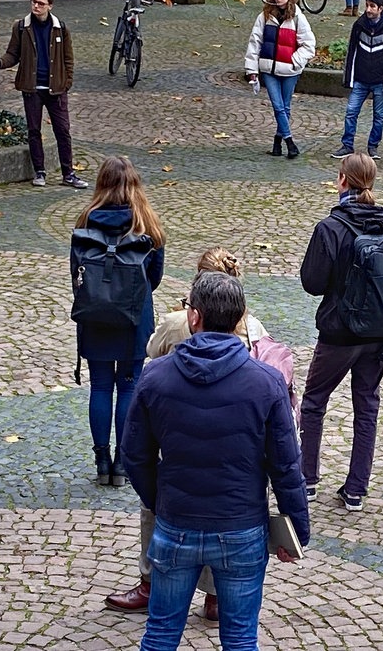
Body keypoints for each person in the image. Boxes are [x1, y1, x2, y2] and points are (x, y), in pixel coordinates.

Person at [122, 270, 308, 650]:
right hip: (241, 529)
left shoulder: (156, 376)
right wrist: (297, 531)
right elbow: (287, 466)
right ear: (240, 319)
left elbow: (134, 455)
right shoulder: (266, 382)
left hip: (176, 524)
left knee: (159, 635)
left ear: (195, 316)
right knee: (240, 638)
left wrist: (161, 501)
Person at [108, 248, 274, 620]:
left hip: (176, 443)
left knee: (155, 511)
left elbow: (152, 351)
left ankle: (151, 583)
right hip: (235, 451)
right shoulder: (254, 328)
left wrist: (154, 493)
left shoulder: (175, 322)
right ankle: (216, 597)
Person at [299, 153, 383, 512]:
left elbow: (312, 282)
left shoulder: (331, 227)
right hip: (377, 330)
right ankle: (356, 489)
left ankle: (307, 479)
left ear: (342, 180)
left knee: (314, 402)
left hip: (340, 331)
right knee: (366, 405)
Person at [75, 156, 166, 485]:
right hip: (133, 315)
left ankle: (101, 460)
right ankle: (123, 464)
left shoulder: (85, 221)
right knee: (128, 386)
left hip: (95, 313)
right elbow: (154, 277)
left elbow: (77, 273)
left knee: (99, 386)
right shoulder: (149, 226)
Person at [0, 0, 87, 189]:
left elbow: (69, 59)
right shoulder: (21, 28)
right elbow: (12, 55)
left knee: (63, 130)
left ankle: (68, 173)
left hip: (56, 89)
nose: (36, 6)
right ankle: (39, 171)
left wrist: (67, 82)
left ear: (50, 6)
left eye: (41, 3)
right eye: (34, 2)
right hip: (32, 88)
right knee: (34, 130)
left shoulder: (61, 28)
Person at [244, 0, 316, 160]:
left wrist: (294, 61)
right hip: (269, 70)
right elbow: (255, 43)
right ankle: (290, 142)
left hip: (290, 71)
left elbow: (309, 45)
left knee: (285, 107)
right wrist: (251, 70)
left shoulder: (298, 17)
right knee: (278, 106)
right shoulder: (265, 16)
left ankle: (277, 142)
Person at [334, 0, 383, 160]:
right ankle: (347, 144)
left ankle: (373, 146)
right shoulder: (359, 25)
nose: (368, 9)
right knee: (351, 111)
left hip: (379, 81)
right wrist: (349, 78)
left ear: (381, 9)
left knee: (379, 116)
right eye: (367, 5)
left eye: (372, 6)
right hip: (361, 79)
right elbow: (351, 52)